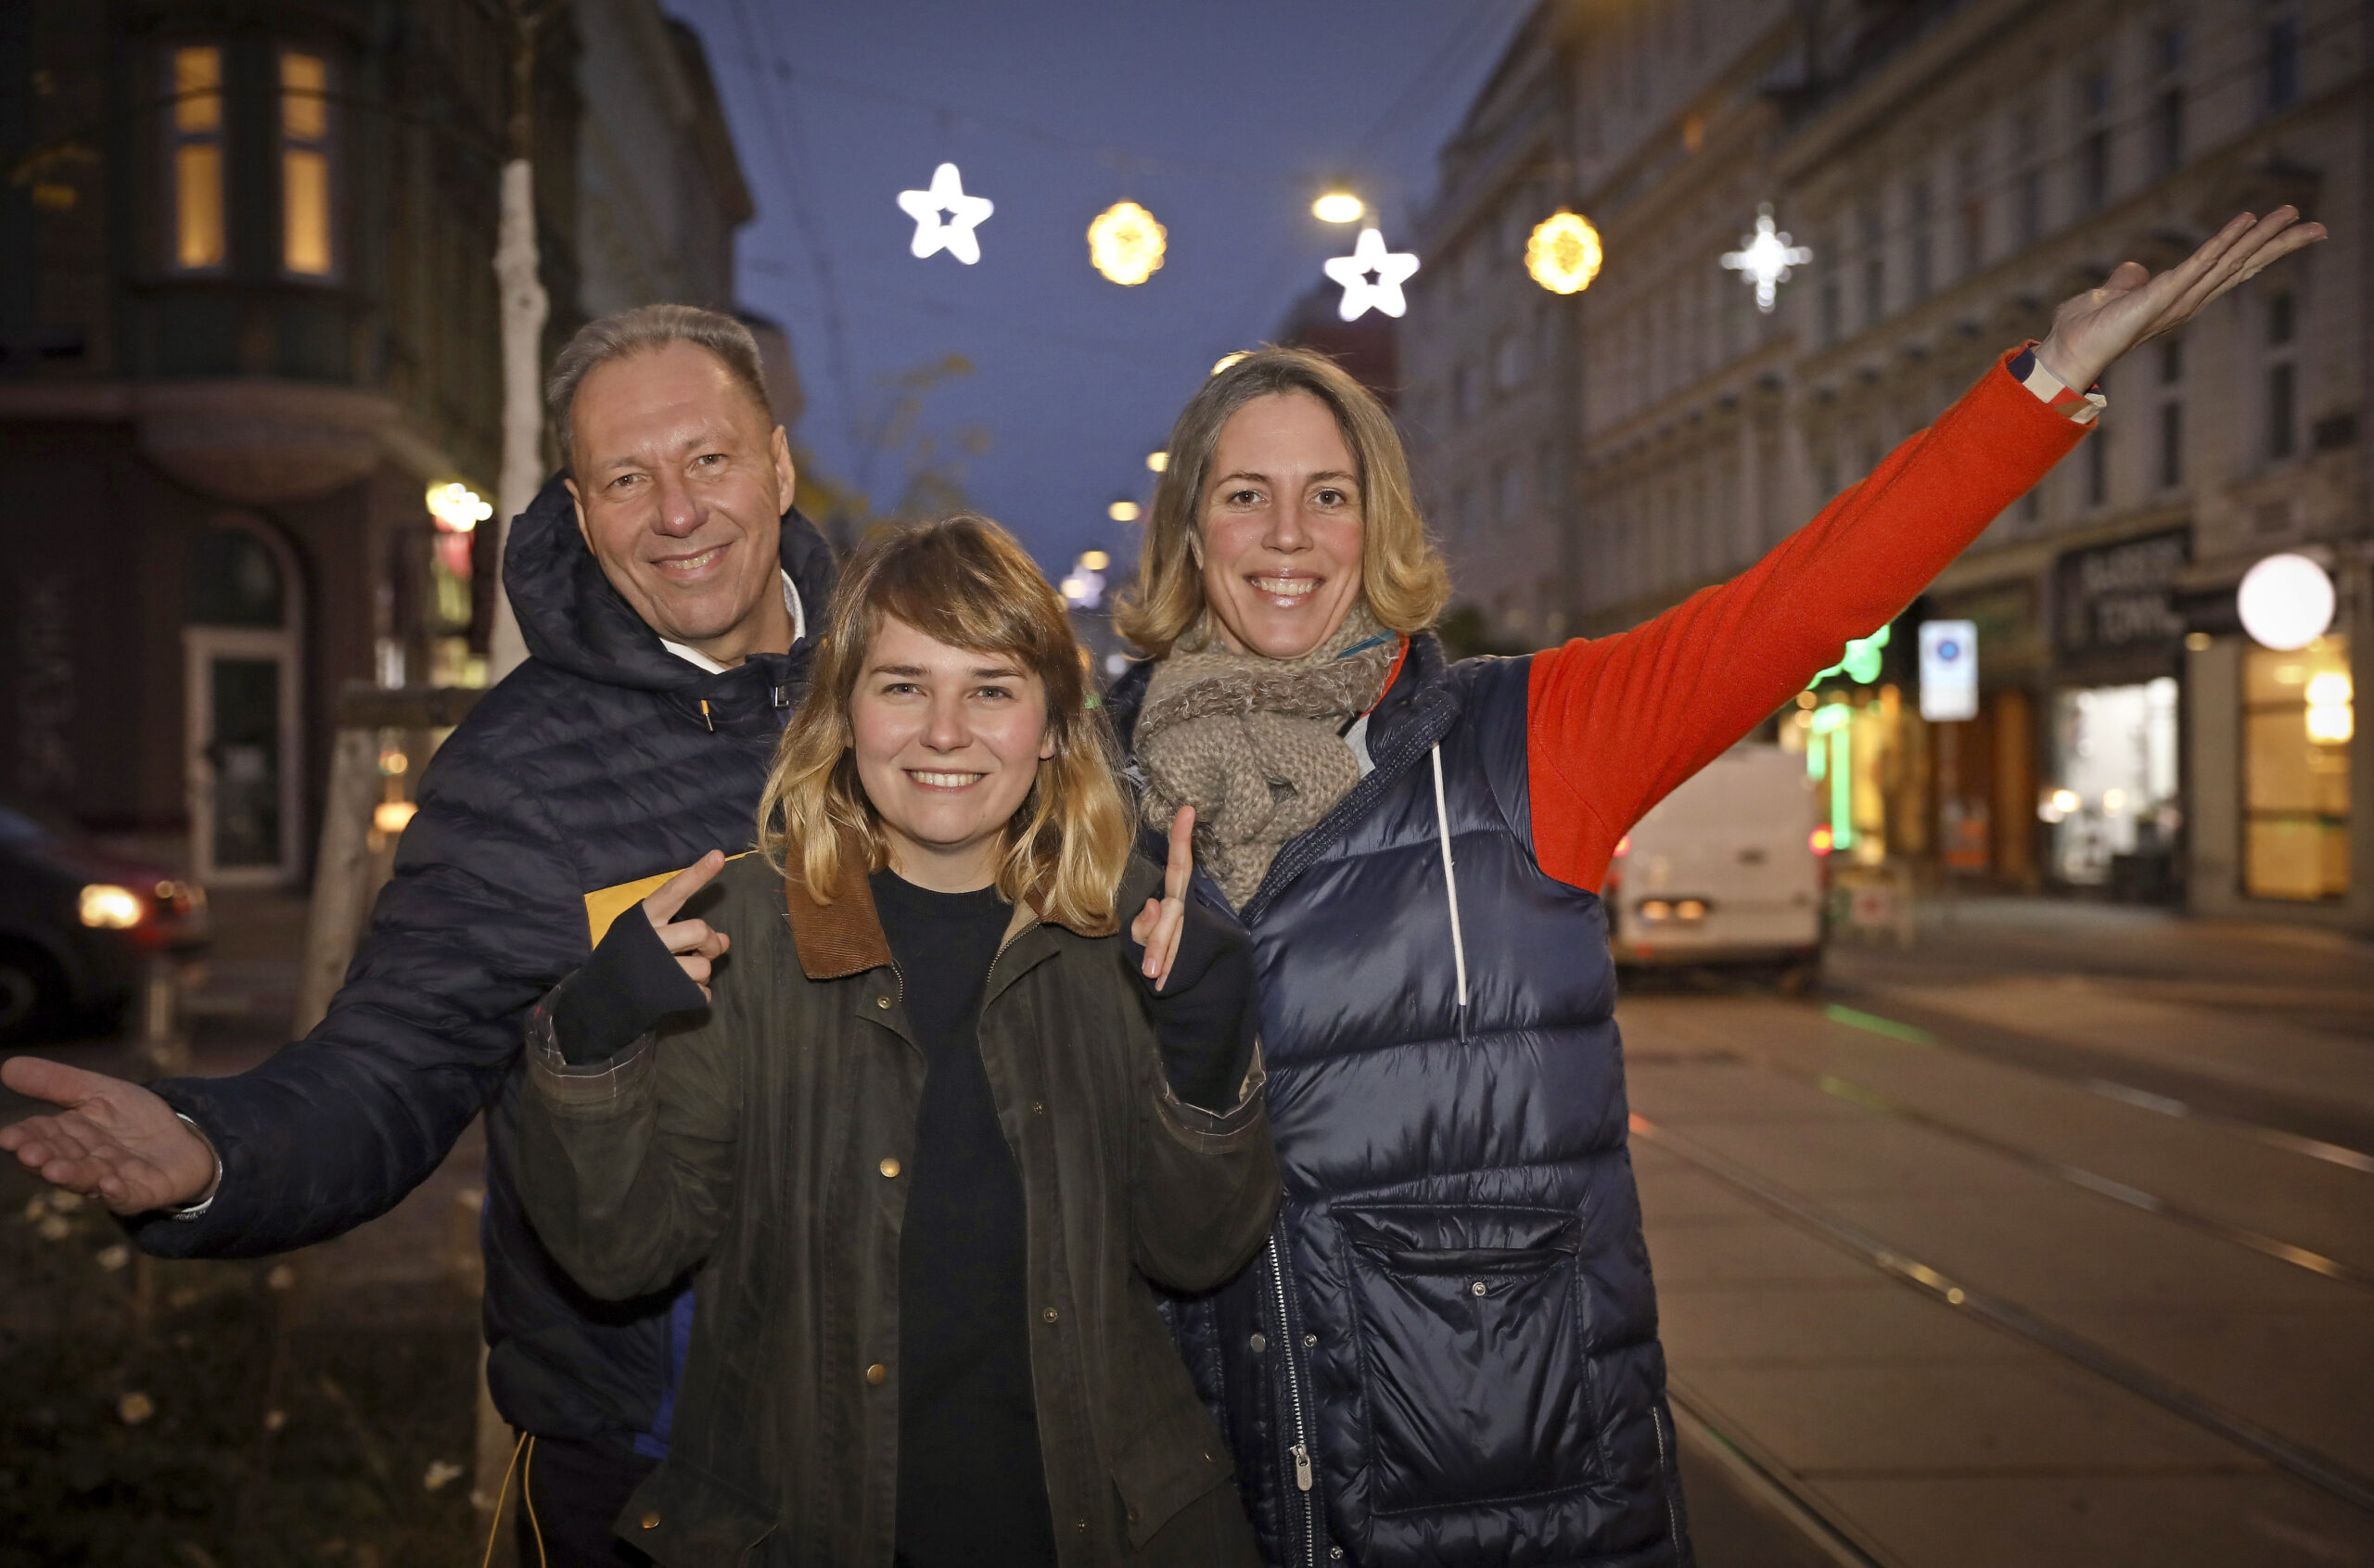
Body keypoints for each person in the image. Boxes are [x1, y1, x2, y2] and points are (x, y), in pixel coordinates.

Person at [1098, 209, 2327, 1568]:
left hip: (1508, 1469)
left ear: (1376, 518)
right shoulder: (1113, 787)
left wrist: (2042, 386)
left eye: (1328, 491)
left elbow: (1802, 602)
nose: (1288, 534)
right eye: (1243, 492)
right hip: (1216, 1468)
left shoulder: (1528, 737)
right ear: (1189, 527)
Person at [0, 304, 836, 1565]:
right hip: (652, 1453)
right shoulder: (516, 768)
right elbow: (396, 1061)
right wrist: (214, 1147)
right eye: (627, 476)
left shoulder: (911, 697)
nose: (676, 511)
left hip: (919, 1417)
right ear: (578, 501)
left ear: (775, 461)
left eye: (707, 459)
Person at [513, 516, 1280, 1565]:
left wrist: (1205, 1056)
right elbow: (621, 1257)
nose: (945, 732)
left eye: (992, 689)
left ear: (1054, 724)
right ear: (843, 714)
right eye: (904, 685)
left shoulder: (1135, 931)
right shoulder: (739, 934)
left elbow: (1196, 1251)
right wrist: (592, 1039)